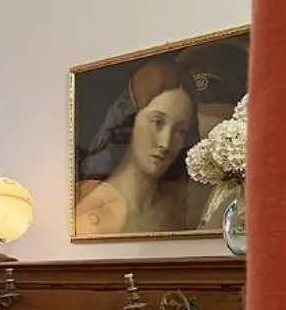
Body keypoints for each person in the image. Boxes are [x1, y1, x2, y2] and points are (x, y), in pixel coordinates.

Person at [73, 60, 200, 236]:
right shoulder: (95, 215)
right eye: (157, 122)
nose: (166, 143)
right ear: (130, 121)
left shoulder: (175, 207)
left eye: (180, 131)